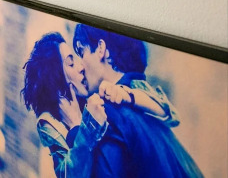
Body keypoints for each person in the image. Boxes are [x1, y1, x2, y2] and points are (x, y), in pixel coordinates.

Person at [21, 33, 177, 178]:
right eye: (71, 64)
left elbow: (169, 112)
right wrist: (77, 127)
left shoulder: (107, 104)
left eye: (78, 57)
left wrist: (126, 95)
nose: (81, 67)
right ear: (56, 81)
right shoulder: (51, 125)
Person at [72, 24, 203, 177]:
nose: (80, 66)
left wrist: (73, 129)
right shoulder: (152, 109)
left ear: (100, 48)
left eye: (81, 52)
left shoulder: (105, 115)